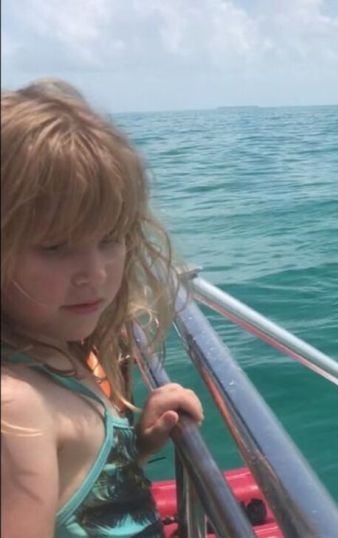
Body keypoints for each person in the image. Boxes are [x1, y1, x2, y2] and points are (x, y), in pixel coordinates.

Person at [1, 79, 204, 537]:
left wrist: (136, 448)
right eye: (55, 247)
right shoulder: (16, 411)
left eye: (110, 239)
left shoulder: (53, 351)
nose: (94, 272)